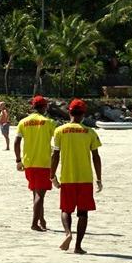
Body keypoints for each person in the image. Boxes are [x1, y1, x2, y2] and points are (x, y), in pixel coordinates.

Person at [50, 99, 102, 254]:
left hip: (67, 177)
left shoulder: (60, 131)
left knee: (66, 210)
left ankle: (68, 233)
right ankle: (78, 246)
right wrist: (99, 178)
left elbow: (55, 155)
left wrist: (52, 176)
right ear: (83, 114)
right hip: (85, 178)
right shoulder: (89, 132)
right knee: (83, 213)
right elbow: (96, 157)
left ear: (69, 112)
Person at [14, 95, 56, 231]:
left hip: (28, 163)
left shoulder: (23, 122)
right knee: (40, 194)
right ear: (44, 107)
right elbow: (57, 141)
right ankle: (34, 223)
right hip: (43, 162)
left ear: (33, 107)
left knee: (36, 193)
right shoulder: (48, 122)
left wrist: (18, 160)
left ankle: (41, 220)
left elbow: (16, 142)